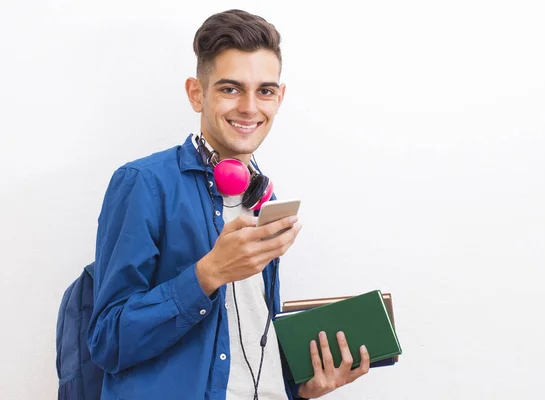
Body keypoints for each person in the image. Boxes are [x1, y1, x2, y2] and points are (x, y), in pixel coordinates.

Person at [87, 9, 370, 400]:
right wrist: (207, 275)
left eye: (265, 91)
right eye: (231, 89)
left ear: (280, 97)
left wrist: (300, 388)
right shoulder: (144, 184)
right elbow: (107, 340)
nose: (250, 108)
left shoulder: (264, 196)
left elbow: (247, 337)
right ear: (196, 93)